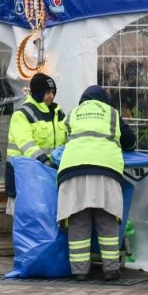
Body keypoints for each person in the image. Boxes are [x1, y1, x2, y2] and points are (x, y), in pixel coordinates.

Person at [57, 85, 136, 281]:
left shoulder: (73, 114)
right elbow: (130, 141)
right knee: (107, 219)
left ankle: (80, 272)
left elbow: (60, 142)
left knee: (78, 221)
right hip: (105, 170)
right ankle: (110, 269)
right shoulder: (111, 113)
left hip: (73, 169)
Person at [5, 73, 68, 214]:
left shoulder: (58, 113)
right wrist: (44, 161)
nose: (51, 96)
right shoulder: (22, 114)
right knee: (25, 221)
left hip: (48, 177)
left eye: (53, 92)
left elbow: (66, 139)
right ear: (37, 92)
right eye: (47, 92)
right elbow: (26, 144)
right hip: (23, 177)